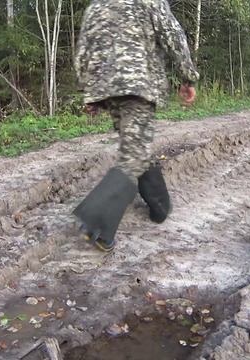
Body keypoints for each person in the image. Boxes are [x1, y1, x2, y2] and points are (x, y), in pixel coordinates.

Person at [73, 0, 199, 251]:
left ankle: (159, 207)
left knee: (136, 149)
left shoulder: (96, 6)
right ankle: (97, 222)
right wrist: (188, 77)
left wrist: (87, 92)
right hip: (138, 86)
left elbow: (82, 53)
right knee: (132, 158)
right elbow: (173, 36)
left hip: (108, 90)